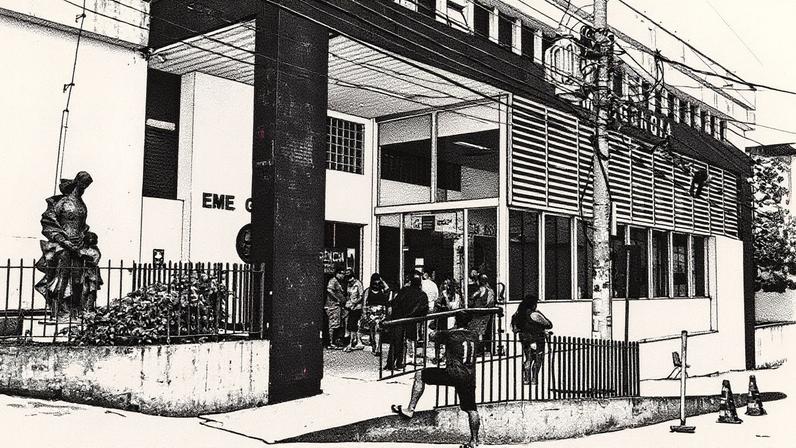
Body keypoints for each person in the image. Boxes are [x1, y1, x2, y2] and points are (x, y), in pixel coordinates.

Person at [391, 311, 480, 448]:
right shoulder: (474, 335)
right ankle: (474, 441)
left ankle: (410, 409)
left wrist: (435, 323)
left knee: (420, 374)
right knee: (471, 409)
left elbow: (432, 336)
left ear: (456, 320)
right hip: (469, 376)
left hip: (452, 373)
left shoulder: (451, 334)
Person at [35, 171, 103, 318]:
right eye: (83, 184)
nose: (84, 188)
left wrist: (86, 236)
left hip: (79, 247)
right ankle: (61, 311)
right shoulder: (61, 202)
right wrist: (63, 241)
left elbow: (82, 225)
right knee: (62, 279)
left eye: (87, 185)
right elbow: (48, 223)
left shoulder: (81, 204)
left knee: (78, 280)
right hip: (63, 247)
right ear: (77, 182)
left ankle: (75, 310)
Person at [385, 271, 428, 370]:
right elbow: (423, 309)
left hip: (399, 318)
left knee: (396, 341)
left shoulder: (404, 290)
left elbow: (396, 302)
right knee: (408, 340)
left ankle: (392, 363)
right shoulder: (422, 295)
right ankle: (401, 362)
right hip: (411, 320)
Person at [511, 294, 553, 385]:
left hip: (525, 339)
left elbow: (514, 329)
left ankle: (526, 378)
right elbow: (549, 324)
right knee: (538, 358)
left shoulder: (517, 315)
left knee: (528, 358)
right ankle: (534, 378)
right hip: (537, 338)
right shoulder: (534, 314)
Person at [361, 273, 390, 356]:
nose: (376, 283)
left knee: (378, 330)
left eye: (378, 281)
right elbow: (364, 303)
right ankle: (375, 346)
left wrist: (382, 280)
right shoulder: (368, 290)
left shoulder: (381, 290)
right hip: (371, 313)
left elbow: (387, 288)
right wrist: (364, 314)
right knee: (372, 331)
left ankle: (377, 348)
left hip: (380, 313)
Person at [343, 269, 365, 352]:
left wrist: (354, 303)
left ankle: (351, 343)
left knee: (353, 324)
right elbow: (348, 294)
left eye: (350, 278)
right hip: (350, 306)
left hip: (357, 307)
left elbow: (361, 295)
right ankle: (355, 341)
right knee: (349, 324)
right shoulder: (349, 284)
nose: (349, 280)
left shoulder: (358, 284)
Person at [325, 268, 347, 350]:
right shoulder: (333, 281)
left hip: (338, 306)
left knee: (337, 324)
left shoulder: (339, 282)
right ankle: (330, 343)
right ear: (337, 273)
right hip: (332, 306)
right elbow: (329, 290)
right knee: (333, 324)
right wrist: (337, 299)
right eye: (342, 273)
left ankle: (335, 341)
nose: (343, 276)